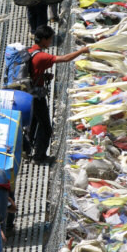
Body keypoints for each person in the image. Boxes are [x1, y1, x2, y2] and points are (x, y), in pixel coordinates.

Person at [28, 24, 89, 163]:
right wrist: (82, 51)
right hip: (36, 97)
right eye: (49, 40)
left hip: (27, 94)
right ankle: (40, 157)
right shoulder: (41, 56)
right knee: (46, 128)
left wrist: (43, 77)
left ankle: (27, 151)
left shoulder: (30, 51)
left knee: (33, 125)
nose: (50, 43)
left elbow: (31, 74)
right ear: (43, 40)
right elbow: (65, 58)